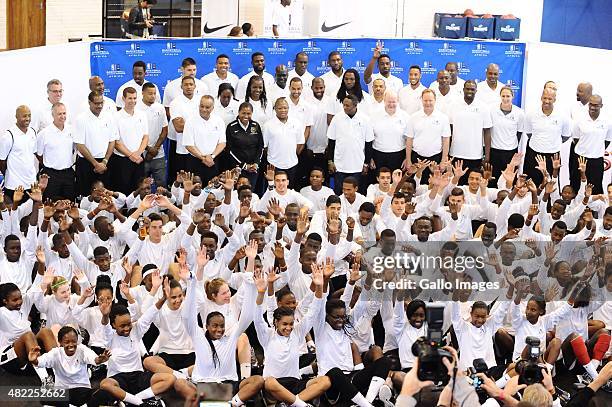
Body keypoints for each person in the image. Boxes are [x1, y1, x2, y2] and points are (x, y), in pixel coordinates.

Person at [327, 94, 374, 194]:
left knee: (357, 194)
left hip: (358, 165)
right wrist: (330, 161)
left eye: (347, 106)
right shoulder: (337, 118)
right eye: (343, 105)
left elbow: (368, 143)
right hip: (339, 166)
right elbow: (331, 142)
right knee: (339, 193)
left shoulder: (365, 119)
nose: (344, 107)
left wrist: (366, 163)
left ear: (355, 105)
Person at [523, 88, 571, 186]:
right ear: (541, 98)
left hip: (553, 156)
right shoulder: (531, 114)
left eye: (550, 99)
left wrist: (552, 143)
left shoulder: (563, 116)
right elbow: (529, 133)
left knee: (550, 185)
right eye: (545, 98)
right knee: (532, 185)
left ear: (555, 100)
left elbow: (565, 136)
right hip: (534, 154)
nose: (547, 101)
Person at [448, 80, 492, 185]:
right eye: (467, 89)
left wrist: (487, 155)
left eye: (472, 89)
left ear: (476, 91)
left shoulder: (483, 107)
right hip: (456, 153)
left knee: (473, 186)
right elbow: (449, 129)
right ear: (463, 89)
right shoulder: (453, 105)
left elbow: (487, 132)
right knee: (455, 186)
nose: (470, 91)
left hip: (475, 155)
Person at [74, 92, 116, 197]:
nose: (100, 106)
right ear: (89, 102)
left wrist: (105, 161)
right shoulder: (81, 119)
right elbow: (80, 144)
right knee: (86, 196)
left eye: (101, 103)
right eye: (96, 103)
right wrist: (95, 164)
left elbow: (112, 141)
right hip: (87, 164)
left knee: (106, 196)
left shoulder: (109, 117)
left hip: (105, 163)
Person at [405, 89, 450, 184]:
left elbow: (446, 140)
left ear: (435, 100)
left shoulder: (443, 118)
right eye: (425, 100)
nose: (428, 103)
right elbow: (409, 140)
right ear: (421, 100)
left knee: (434, 187)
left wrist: (443, 161)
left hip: (436, 159)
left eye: (430, 100)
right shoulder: (413, 117)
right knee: (415, 186)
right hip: (416, 158)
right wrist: (408, 160)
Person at [111, 87, 148, 195]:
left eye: (135, 98)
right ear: (123, 98)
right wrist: (131, 155)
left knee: (139, 190)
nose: (133, 101)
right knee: (123, 191)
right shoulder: (116, 117)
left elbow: (145, 137)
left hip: (139, 159)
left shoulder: (142, 114)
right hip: (122, 160)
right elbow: (116, 142)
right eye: (130, 98)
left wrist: (138, 153)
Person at [572, 95, 611, 195]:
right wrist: (585, 149)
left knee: (595, 188)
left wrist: (596, 149)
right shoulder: (579, 118)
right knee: (576, 185)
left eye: (596, 105)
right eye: (591, 104)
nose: (593, 107)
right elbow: (576, 138)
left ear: (601, 106)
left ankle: (593, 211)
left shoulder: (607, 121)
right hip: (580, 158)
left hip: (597, 160)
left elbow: (607, 140)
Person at [182, 95, 226, 184]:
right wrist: (203, 158)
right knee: (194, 191)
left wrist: (212, 156)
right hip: (195, 162)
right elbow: (188, 144)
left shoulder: (219, 120)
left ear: (213, 108)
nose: (204, 109)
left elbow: (222, 143)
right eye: (202, 106)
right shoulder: (190, 121)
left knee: (212, 192)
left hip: (213, 161)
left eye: (207, 107)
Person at [36, 103, 76, 200]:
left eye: (64, 113)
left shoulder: (72, 130)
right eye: (59, 114)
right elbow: (39, 154)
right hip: (51, 175)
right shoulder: (44, 134)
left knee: (70, 204)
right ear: (52, 115)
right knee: (50, 205)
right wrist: (49, 165)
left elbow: (75, 149)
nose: (62, 116)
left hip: (68, 174)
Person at [263, 98, 305, 187]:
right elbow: (265, 146)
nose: (283, 110)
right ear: (275, 109)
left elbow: (300, 142)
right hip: (274, 165)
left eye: (285, 108)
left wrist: (292, 154)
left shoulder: (297, 123)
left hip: (292, 164)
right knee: (274, 190)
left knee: (290, 190)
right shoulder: (268, 125)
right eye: (280, 108)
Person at [0, 105, 37, 199]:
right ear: (16, 117)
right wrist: (9, 175)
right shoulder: (8, 136)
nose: (27, 118)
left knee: (33, 213)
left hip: (31, 184)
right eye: (24, 116)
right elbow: (2, 161)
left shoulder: (32, 132)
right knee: (14, 213)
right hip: (14, 186)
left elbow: (32, 154)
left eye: (29, 115)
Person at [489, 86, 526, 182]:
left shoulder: (520, 113)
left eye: (508, 96)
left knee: (509, 179)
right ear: (500, 96)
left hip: (510, 152)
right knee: (494, 179)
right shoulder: (492, 110)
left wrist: (511, 144)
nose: (505, 99)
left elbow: (519, 133)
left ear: (512, 96)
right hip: (495, 151)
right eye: (503, 96)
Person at [136, 82, 168, 188]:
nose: (153, 96)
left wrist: (155, 149)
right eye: (150, 93)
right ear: (142, 93)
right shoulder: (136, 109)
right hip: (141, 155)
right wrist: (148, 149)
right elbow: (134, 133)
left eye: (154, 93)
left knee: (161, 185)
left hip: (158, 153)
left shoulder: (160, 107)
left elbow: (164, 130)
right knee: (141, 186)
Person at [168, 76, 200, 177]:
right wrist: (199, 124)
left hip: (200, 148)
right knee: (184, 181)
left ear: (195, 86)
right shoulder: (175, 103)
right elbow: (178, 127)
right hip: (183, 149)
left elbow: (207, 123)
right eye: (186, 84)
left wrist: (186, 123)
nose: (188, 87)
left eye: (191, 84)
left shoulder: (201, 101)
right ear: (181, 86)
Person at [371, 91, 409, 174]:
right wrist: (370, 157)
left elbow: (409, 140)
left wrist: (407, 158)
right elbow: (369, 138)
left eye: (393, 102)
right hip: (378, 156)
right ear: (384, 101)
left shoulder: (405, 116)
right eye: (389, 102)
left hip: (399, 156)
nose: (391, 104)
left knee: (397, 184)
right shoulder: (374, 116)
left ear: (397, 101)